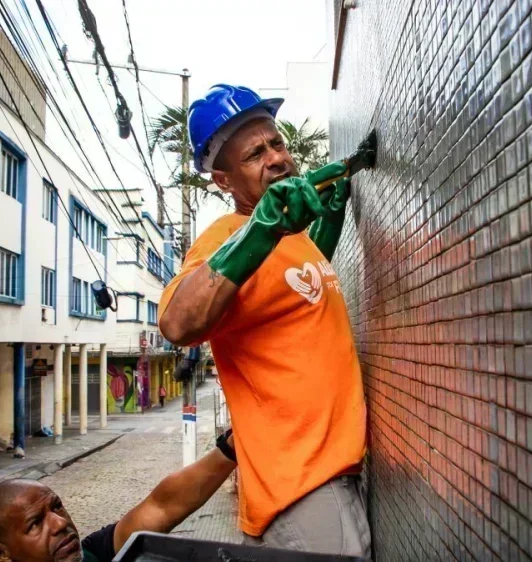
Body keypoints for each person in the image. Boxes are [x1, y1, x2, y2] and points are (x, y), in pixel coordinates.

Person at [158, 84, 370, 557]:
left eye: (276, 144)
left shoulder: (293, 234)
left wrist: (328, 224)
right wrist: (261, 228)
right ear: (223, 180)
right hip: (301, 485)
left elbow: (287, 298)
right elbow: (177, 324)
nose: (275, 158)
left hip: (322, 477)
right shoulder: (226, 235)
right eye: (254, 154)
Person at [0, 430, 237, 561]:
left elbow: (163, 506)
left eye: (57, 507)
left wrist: (230, 448)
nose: (60, 523)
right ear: (1, 553)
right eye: (35, 524)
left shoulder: (95, 553)